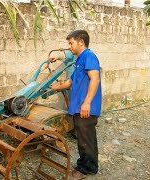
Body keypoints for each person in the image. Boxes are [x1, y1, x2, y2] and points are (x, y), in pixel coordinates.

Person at [50, 30, 102, 179]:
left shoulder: (89, 56)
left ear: (81, 42)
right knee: (84, 137)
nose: (70, 46)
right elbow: (70, 82)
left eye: (71, 43)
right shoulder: (79, 60)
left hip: (86, 107)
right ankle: (85, 164)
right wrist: (55, 87)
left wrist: (87, 103)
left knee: (86, 138)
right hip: (79, 107)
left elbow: (95, 79)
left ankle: (86, 169)